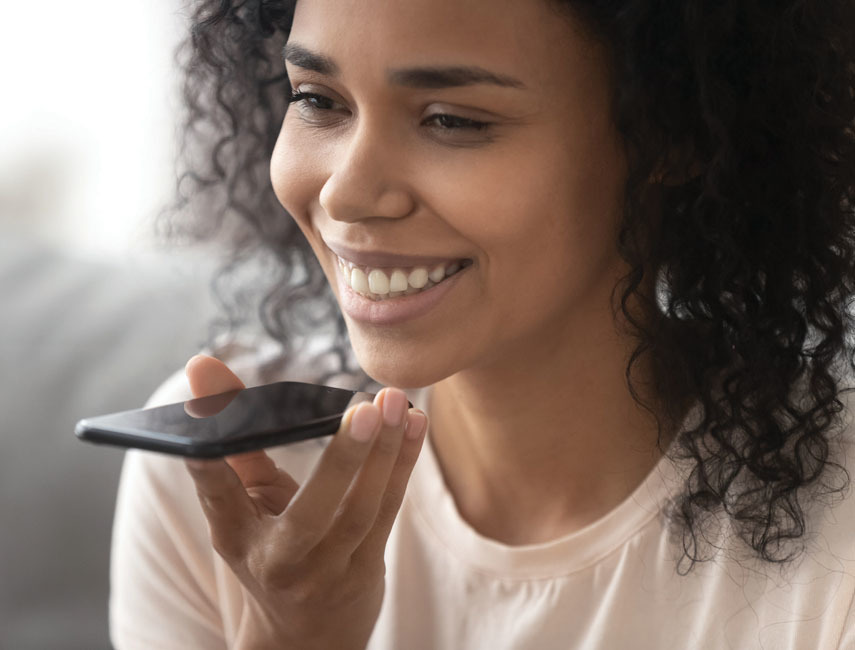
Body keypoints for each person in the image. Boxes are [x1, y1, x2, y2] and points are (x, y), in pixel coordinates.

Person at [109, 0, 855, 648]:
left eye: (451, 119)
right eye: (317, 100)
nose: (347, 193)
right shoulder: (224, 480)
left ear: (671, 135)